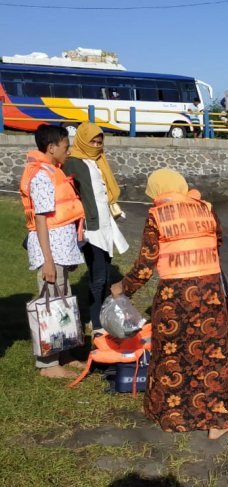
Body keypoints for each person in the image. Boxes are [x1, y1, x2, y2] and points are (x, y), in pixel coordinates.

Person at [110, 169, 228, 440]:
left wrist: (123, 288)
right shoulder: (207, 209)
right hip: (210, 291)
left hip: (175, 296)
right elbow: (217, 242)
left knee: (174, 356)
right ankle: (219, 420)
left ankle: (175, 417)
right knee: (213, 355)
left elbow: (146, 265)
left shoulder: (157, 216)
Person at [19, 125, 85, 378]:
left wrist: (69, 255)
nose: (68, 151)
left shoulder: (53, 171)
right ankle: (48, 364)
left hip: (60, 251)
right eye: (66, 147)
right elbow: (41, 221)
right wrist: (48, 261)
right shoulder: (42, 176)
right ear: (51, 148)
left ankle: (64, 354)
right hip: (51, 253)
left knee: (62, 303)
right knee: (50, 304)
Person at [63, 122, 129, 335]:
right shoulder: (72, 162)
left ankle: (99, 315)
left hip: (105, 223)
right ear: (83, 139)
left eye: (100, 141)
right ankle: (96, 322)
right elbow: (67, 192)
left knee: (105, 273)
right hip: (89, 226)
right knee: (98, 275)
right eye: (92, 141)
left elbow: (105, 191)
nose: (96, 145)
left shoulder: (100, 159)